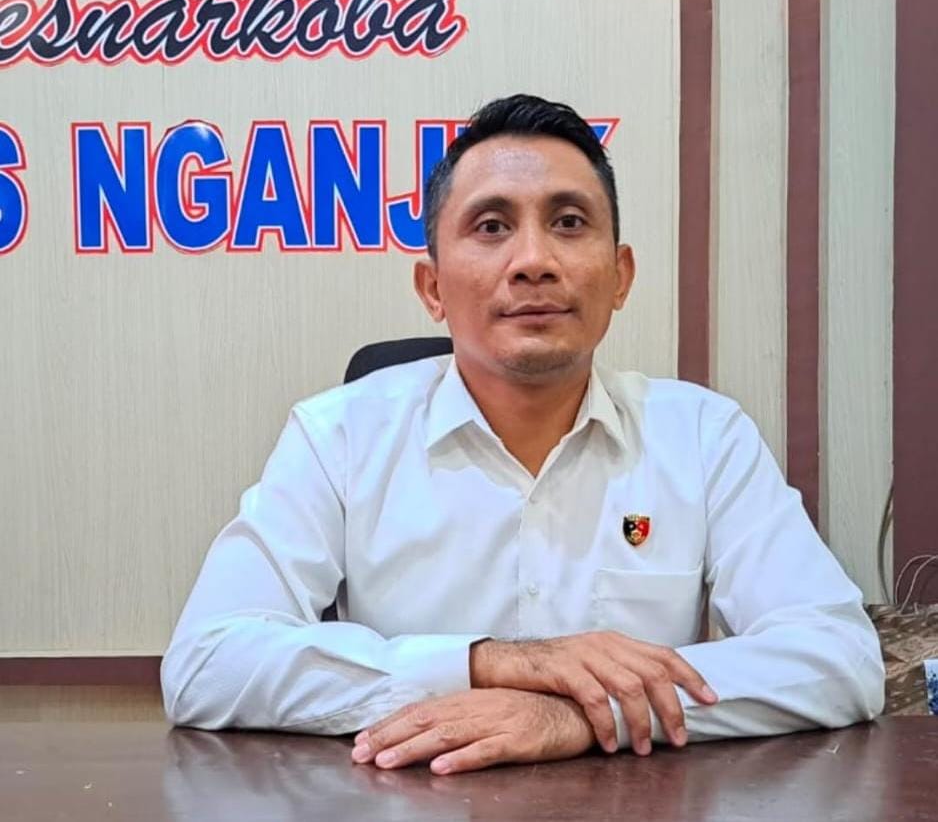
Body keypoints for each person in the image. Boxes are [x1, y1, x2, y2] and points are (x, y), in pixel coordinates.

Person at [161, 94, 885, 775]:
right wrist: (492, 663)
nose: (533, 260)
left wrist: (580, 714)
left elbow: (840, 657)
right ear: (433, 287)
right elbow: (206, 663)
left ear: (621, 276)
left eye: (568, 222)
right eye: (491, 226)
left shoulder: (702, 436)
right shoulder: (338, 435)